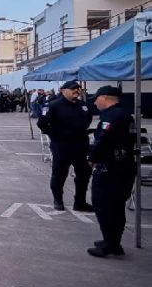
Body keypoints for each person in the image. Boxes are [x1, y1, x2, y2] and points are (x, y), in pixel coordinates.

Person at [86, 86, 136, 258]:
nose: (95, 102)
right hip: (124, 165)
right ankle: (113, 241)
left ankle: (110, 244)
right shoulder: (125, 115)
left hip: (110, 167)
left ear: (105, 97)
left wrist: (92, 157)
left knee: (104, 204)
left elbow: (103, 140)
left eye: (96, 99)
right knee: (116, 205)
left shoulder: (111, 116)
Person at [36, 80, 93, 211]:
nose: (76, 91)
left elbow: (88, 119)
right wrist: (53, 134)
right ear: (63, 90)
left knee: (83, 175)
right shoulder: (53, 105)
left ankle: (80, 202)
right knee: (59, 175)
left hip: (80, 146)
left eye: (78, 88)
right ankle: (58, 200)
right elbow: (42, 123)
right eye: (73, 88)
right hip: (62, 146)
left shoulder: (83, 106)